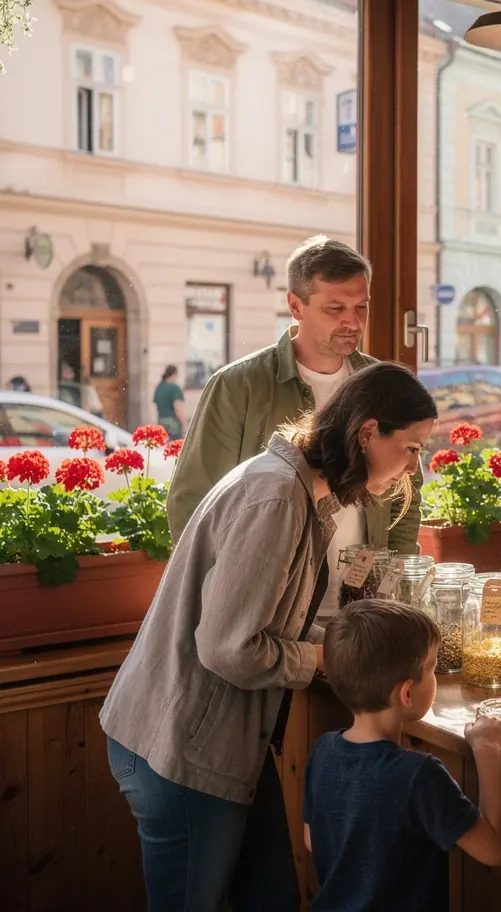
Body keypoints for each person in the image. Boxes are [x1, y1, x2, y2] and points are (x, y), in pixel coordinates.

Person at [100, 362, 438, 912]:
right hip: (181, 746)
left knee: (273, 899)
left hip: (220, 745)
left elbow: (269, 618)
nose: (412, 468)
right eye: (413, 447)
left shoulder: (300, 489)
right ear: (369, 432)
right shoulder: (277, 497)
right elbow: (229, 647)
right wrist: (324, 658)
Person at [167, 236, 424, 631]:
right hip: (273, 617)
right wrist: (230, 604)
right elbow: (194, 504)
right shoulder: (238, 386)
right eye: (335, 308)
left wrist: (398, 593)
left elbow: (407, 497)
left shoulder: (382, 387)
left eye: (361, 307)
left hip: (363, 613)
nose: (352, 321)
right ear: (295, 306)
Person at [304, 601, 501, 911]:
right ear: (407, 693)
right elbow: (494, 850)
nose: (436, 675)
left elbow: (311, 840)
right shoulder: (419, 775)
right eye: (432, 667)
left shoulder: (323, 750)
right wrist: (487, 749)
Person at [153, 364, 186, 440]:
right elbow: (178, 408)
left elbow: (157, 405)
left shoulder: (159, 388)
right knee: (175, 448)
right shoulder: (175, 388)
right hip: (173, 425)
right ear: (174, 374)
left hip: (161, 422)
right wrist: (184, 424)